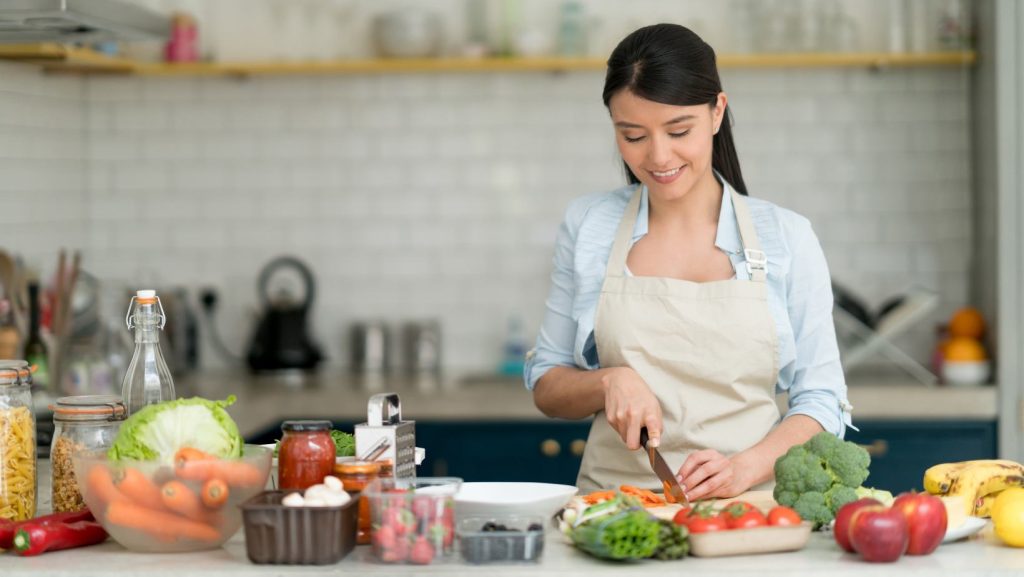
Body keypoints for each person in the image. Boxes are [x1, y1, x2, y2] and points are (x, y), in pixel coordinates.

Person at [524, 23, 853, 499]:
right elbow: (548, 385)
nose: (659, 157)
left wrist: (745, 468)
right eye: (632, 135)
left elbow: (823, 401)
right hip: (616, 515)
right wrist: (608, 381)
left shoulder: (786, 237)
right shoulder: (589, 225)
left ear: (717, 111)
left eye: (679, 131)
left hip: (747, 514)